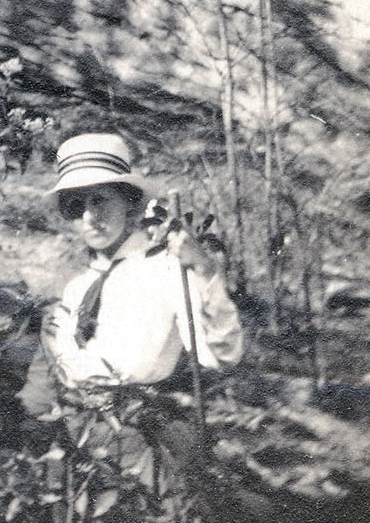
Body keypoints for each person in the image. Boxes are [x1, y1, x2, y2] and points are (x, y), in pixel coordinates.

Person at [31, 132, 242, 393]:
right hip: (76, 411)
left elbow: (221, 356)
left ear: (129, 202)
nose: (89, 217)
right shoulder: (77, 289)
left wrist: (205, 271)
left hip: (144, 411)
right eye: (76, 206)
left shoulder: (165, 268)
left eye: (99, 200)